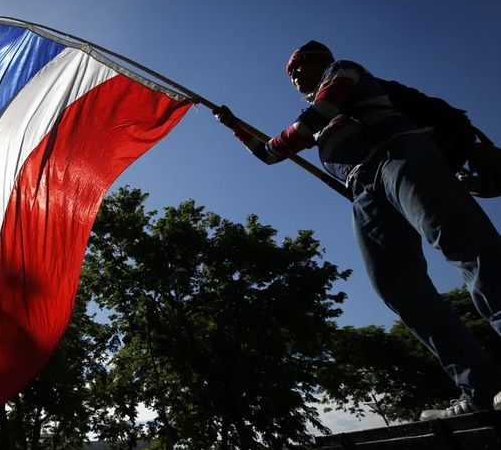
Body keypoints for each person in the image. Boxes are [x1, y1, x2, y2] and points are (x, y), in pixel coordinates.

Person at [213, 40, 501, 420]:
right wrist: (233, 125)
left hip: (398, 153)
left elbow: (312, 120)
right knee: (396, 285)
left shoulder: (343, 72)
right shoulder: (313, 122)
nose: (295, 75)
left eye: (300, 66)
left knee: (465, 245)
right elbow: (268, 155)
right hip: (362, 187)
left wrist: (288, 139)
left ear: (322, 62)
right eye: (290, 73)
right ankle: (480, 387)